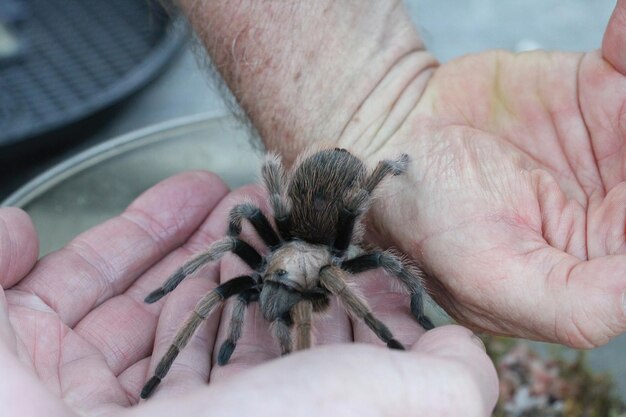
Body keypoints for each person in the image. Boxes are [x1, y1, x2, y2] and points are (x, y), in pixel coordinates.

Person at [1, 0, 625, 415]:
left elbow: (339, 263)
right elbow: (231, 240)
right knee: (224, 263)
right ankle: (165, 365)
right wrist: (171, 289)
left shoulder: (330, 268)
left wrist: (386, 328)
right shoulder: (261, 262)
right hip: (297, 240)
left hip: (322, 234)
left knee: (361, 259)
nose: (264, 290)